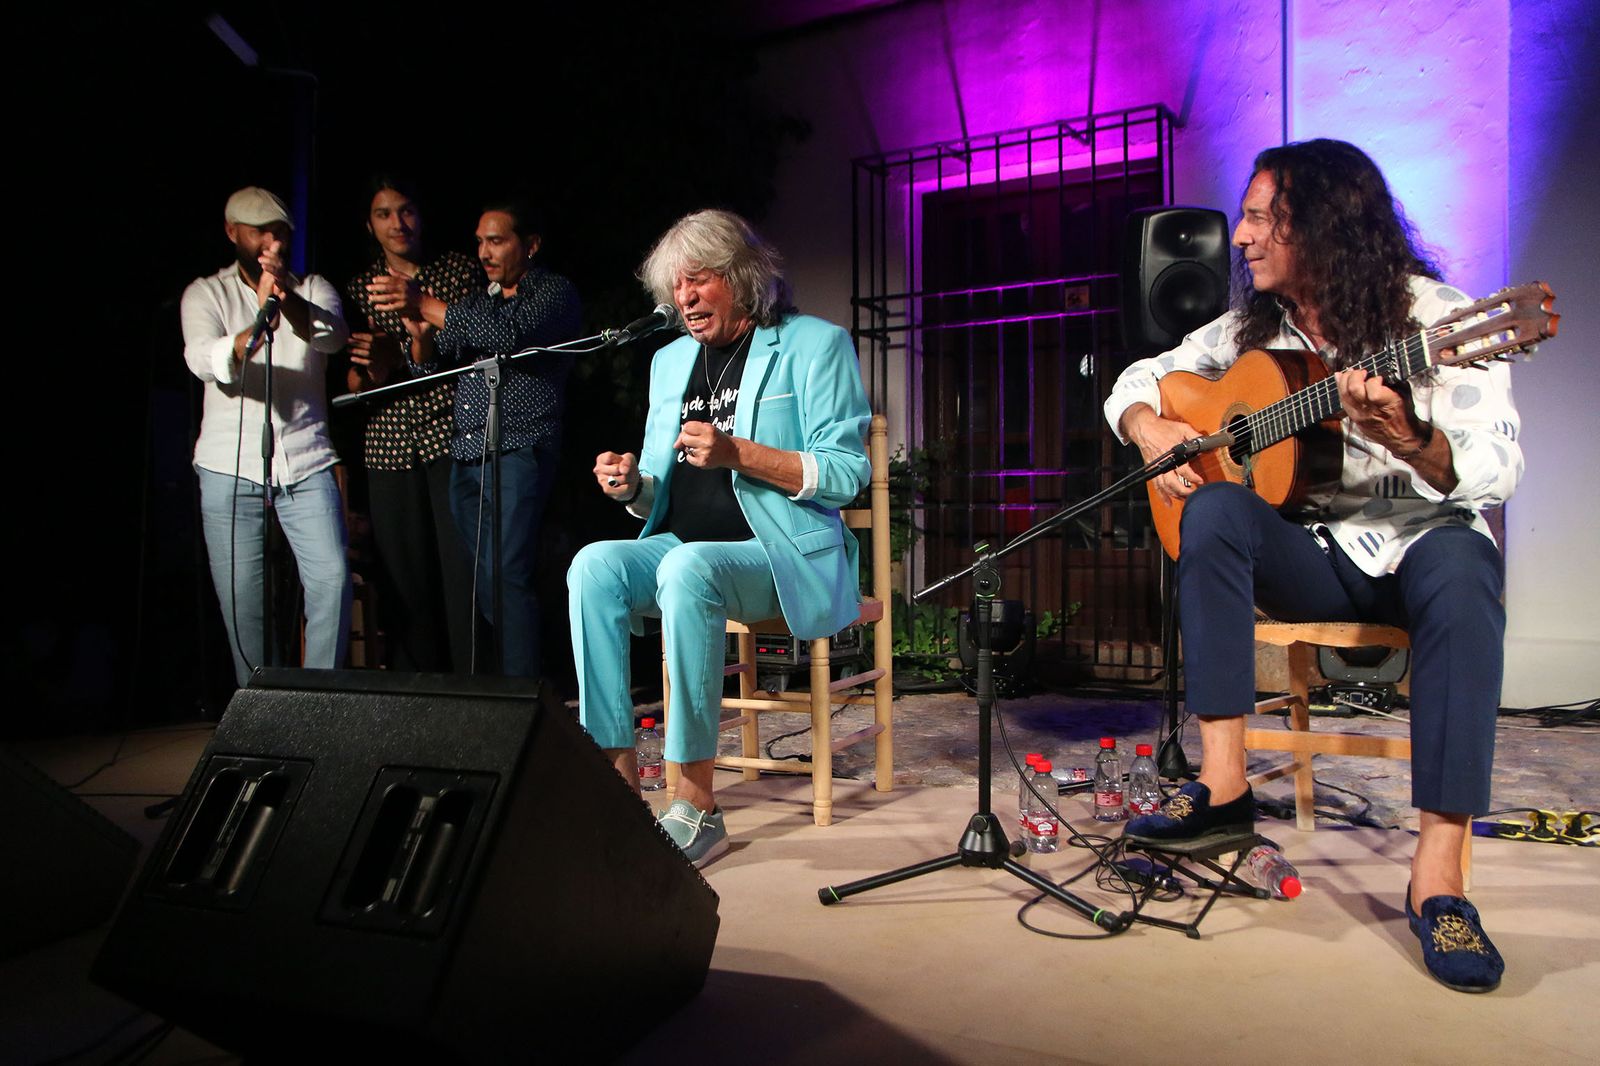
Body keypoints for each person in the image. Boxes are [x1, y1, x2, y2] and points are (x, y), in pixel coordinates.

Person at [1105, 139, 1521, 991]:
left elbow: (1497, 467)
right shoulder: (1254, 330)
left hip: (1420, 541)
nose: (1244, 237)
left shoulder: (1438, 318)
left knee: (1469, 568)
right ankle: (1223, 793)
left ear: (1321, 225)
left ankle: (1439, 883)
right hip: (1318, 553)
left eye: (1262, 217)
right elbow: (1141, 375)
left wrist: (1412, 437)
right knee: (1214, 505)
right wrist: (1148, 425)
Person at [568, 209, 872, 867]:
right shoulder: (671, 360)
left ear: (741, 278)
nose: (685, 298)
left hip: (779, 553)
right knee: (593, 565)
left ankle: (696, 805)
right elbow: (659, 487)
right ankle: (617, 790)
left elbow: (847, 474)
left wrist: (741, 453)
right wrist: (629, 488)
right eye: (676, 287)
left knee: (690, 570)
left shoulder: (815, 345)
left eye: (699, 281)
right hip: (685, 547)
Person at [368, 199, 581, 678]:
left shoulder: (553, 293)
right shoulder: (477, 302)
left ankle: (524, 696)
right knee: (484, 581)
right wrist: (418, 332)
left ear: (530, 244)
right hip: (466, 454)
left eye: (497, 240)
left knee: (508, 574)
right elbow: (428, 363)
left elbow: (507, 336)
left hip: (519, 448)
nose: (484, 252)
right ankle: (505, 682)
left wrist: (424, 302)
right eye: (480, 241)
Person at [181, 186, 354, 686]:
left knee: (333, 581)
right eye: (260, 231)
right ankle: (262, 710)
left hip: (307, 460)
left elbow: (332, 335)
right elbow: (205, 361)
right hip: (227, 468)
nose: (272, 242)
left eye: (280, 232)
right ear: (233, 232)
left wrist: (283, 299)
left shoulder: (313, 287)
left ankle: (320, 701)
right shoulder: (205, 294)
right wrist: (258, 316)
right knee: (243, 603)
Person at [344, 176, 481, 672]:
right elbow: (357, 379)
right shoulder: (360, 288)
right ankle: (419, 693)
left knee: (459, 571)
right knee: (405, 578)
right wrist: (374, 365)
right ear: (369, 225)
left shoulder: (452, 272)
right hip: (389, 443)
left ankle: (474, 686)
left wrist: (407, 342)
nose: (397, 223)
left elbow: (466, 344)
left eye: (405, 210)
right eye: (383, 214)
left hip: (448, 435)